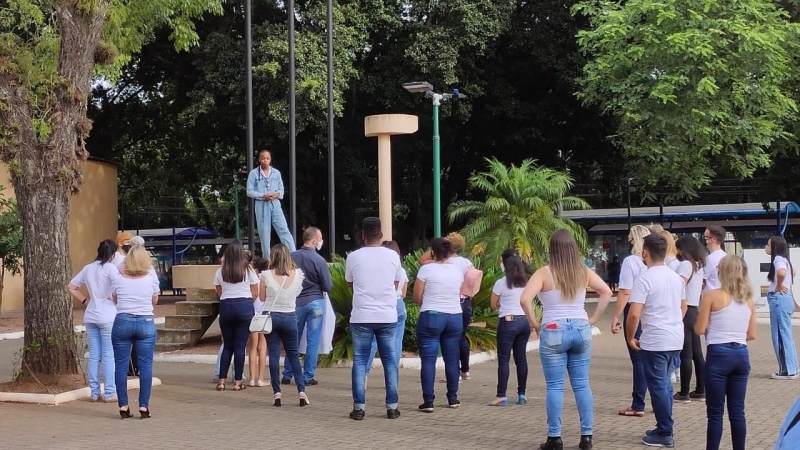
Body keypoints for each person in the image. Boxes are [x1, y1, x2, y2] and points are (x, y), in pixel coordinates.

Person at [520, 230, 612, 450]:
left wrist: (534, 323)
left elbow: (524, 299)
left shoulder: (544, 273)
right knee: (581, 384)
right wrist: (594, 318)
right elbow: (606, 291)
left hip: (553, 328)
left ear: (552, 248)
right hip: (581, 327)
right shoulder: (583, 271)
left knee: (554, 386)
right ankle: (586, 436)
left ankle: (555, 438)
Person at [626, 234, 687, 448]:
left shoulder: (644, 279)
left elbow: (634, 314)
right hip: (675, 339)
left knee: (659, 386)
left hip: (655, 340)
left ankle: (665, 431)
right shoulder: (675, 277)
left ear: (645, 252)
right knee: (665, 386)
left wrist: (631, 336)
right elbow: (684, 307)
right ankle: (663, 425)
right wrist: (672, 322)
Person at [694, 255, 757, 450]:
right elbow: (752, 334)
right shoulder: (748, 300)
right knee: (737, 411)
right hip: (740, 354)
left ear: (723, 272)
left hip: (718, 354)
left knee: (715, 412)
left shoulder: (712, 296)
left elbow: (699, 329)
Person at [346, 217, 404, 420]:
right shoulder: (392, 256)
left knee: (360, 362)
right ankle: (392, 407)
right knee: (389, 361)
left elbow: (350, 284)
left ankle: (359, 408)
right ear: (381, 235)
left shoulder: (353, 257)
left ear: (363, 236)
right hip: (387, 315)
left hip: (361, 315)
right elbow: (397, 283)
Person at [414, 237, 465, 413]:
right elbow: (458, 293)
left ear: (432, 252)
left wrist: (427, 307)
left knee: (428, 360)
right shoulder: (457, 271)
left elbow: (417, 296)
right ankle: (453, 397)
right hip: (454, 316)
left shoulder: (426, 269)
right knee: (452, 358)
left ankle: (428, 401)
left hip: (431, 316)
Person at [111, 244, 160, 419]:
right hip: (145, 321)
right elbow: (154, 300)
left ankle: (123, 406)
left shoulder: (118, 277)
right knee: (145, 365)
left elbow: (114, 298)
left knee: (121, 365)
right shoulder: (150, 277)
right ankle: (144, 406)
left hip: (122, 320)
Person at [67, 239, 119, 402]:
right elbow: (119, 288)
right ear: (112, 254)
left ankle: (95, 392)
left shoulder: (88, 268)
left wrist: (85, 301)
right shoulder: (111, 269)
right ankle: (110, 392)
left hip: (90, 315)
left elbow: (71, 286)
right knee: (108, 354)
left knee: (95, 355)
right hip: (108, 315)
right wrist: (115, 299)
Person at [419, 232, 475, 380]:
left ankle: (452, 377)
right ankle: (465, 370)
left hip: (438, 308)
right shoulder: (466, 263)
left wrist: (436, 248)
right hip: (462, 304)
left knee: (431, 356)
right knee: (460, 338)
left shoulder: (434, 265)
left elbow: (421, 260)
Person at [282, 226, 332, 386]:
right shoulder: (319, 260)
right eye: (321, 238)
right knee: (313, 340)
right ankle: (308, 375)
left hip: (295, 303)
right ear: (314, 241)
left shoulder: (291, 257)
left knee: (292, 340)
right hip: (316, 301)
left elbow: (283, 279)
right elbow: (328, 286)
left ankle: (287, 374)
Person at [260, 244, 309, 407]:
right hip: (289, 316)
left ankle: (277, 393)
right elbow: (297, 293)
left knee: (273, 354)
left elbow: (261, 297)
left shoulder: (266, 275)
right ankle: (301, 392)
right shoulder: (298, 274)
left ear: (272, 257)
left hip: (271, 317)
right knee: (293, 354)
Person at [610, 224, 650, 417]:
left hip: (635, 309)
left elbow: (626, 291)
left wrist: (616, 315)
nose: (628, 241)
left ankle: (638, 404)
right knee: (652, 358)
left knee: (638, 358)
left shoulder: (631, 262)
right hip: (653, 311)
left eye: (630, 238)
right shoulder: (654, 262)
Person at [213, 240, 259, 391]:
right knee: (240, 346)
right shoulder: (249, 271)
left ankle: (221, 381)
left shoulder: (220, 271)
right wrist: (246, 302)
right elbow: (255, 293)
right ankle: (238, 382)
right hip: (244, 306)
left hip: (226, 306)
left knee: (228, 345)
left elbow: (219, 292)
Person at [488, 249, 530, 407]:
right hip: (524, 322)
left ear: (504, 264)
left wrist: (501, 303)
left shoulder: (501, 283)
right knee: (521, 359)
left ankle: (501, 395)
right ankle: (522, 393)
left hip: (508, 322)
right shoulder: (526, 282)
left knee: (504, 359)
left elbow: (493, 304)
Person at [365, 241, 409, 383]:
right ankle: (392, 378)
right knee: (396, 343)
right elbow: (404, 293)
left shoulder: (381, 270)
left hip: (382, 305)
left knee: (372, 342)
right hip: (399, 305)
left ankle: (364, 373)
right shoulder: (401, 270)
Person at [674, 235, 707, 403]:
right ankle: (701, 389)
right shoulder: (698, 265)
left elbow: (678, 287)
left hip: (684, 309)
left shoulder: (684, 265)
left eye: (677, 248)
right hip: (694, 310)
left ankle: (684, 392)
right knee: (697, 354)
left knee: (685, 355)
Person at [246, 149, 296, 258]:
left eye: (267, 158)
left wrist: (276, 195)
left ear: (270, 160)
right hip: (261, 205)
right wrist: (263, 195)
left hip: (275, 204)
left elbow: (281, 190)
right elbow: (249, 191)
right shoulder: (254, 173)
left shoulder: (276, 173)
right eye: (263, 158)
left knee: (284, 229)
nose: (265, 160)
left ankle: (294, 255)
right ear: (259, 160)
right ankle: (267, 260)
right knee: (264, 234)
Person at [765, 236, 798, 380]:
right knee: (786, 334)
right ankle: (793, 368)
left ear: (774, 247)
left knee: (780, 335)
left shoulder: (778, 259)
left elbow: (782, 273)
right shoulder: (786, 260)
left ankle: (786, 371)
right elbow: (793, 272)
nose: (766, 247)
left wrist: (778, 285)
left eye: (768, 245)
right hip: (785, 299)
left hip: (778, 299)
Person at [248, 256, 270, 387]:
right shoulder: (266, 279)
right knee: (262, 348)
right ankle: (260, 379)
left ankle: (251, 378)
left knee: (252, 348)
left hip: (252, 314)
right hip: (263, 315)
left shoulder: (252, 278)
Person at [703, 225, 727, 291]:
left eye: (705, 237)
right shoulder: (727, 257)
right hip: (725, 296)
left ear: (713, 239)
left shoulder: (709, 259)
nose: (704, 240)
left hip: (711, 297)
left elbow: (701, 280)